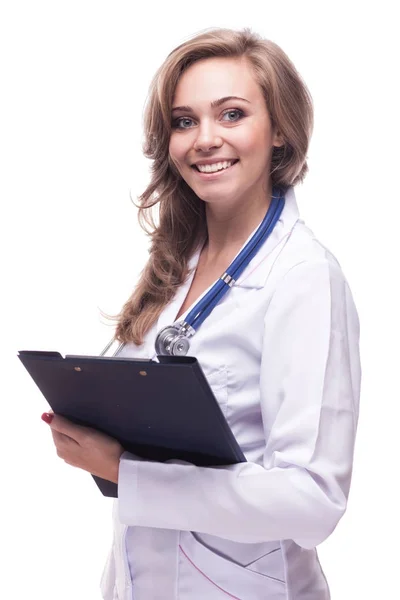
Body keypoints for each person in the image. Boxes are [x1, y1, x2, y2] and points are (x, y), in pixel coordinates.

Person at [41, 27, 361, 600]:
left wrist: (128, 475)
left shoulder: (304, 278)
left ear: (281, 130)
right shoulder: (175, 266)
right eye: (184, 121)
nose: (204, 139)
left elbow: (313, 503)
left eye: (232, 114)